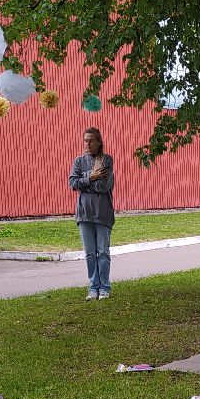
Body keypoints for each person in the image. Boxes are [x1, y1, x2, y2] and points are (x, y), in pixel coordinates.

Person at [68, 127, 115, 300]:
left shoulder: (107, 160)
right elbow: (72, 183)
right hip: (84, 213)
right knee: (89, 252)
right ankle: (93, 286)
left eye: (91, 140)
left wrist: (85, 181)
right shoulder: (79, 161)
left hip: (102, 213)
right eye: (85, 140)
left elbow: (102, 187)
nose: (87, 144)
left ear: (99, 142)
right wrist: (91, 177)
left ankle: (104, 287)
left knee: (102, 251)